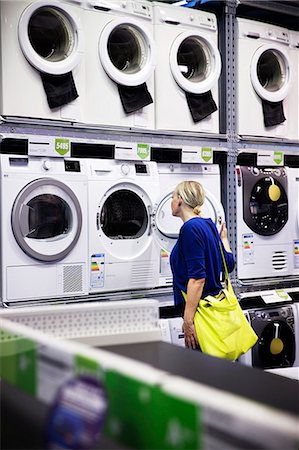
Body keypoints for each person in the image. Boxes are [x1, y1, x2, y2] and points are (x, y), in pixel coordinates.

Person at [170, 180, 235, 350]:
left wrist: (188, 321)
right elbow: (228, 264)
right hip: (213, 310)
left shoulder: (190, 229)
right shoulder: (209, 225)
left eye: (172, 197)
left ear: (180, 200)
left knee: (200, 372)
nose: (171, 202)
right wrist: (224, 240)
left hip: (201, 316)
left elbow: (198, 279)